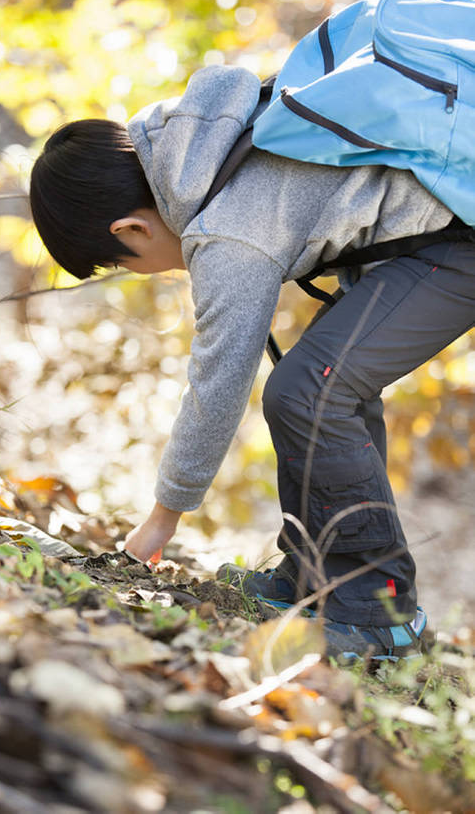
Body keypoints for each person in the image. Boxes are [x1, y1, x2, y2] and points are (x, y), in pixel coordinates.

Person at [29, 62, 474, 662]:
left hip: (460, 239)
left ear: (131, 228)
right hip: (440, 228)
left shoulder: (225, 226)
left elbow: (217, 385)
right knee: (324, 382)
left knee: (309, 389)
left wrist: (161, 522)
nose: (137, 271)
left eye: (120, 262)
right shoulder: (200, 138)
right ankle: (318, 576)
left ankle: (379, 614)